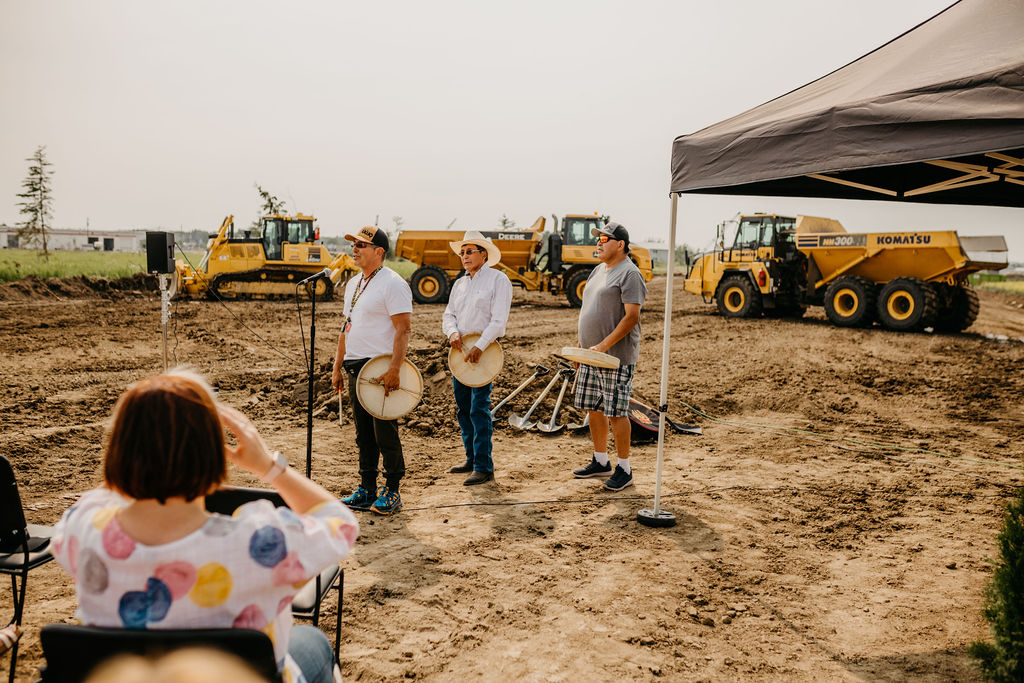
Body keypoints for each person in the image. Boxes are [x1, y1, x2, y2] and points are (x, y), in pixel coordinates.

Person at [51, 369, 359, 683]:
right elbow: (342, 524)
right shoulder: (258, 544)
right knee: (314, 642)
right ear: (212, 454)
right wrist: (268, 466)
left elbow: (99, 500)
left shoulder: (82, 530)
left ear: (120, 450)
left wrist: (140, 449)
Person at [331, 225, 413, 514]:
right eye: (354, 244)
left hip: (378, 370)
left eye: (361, 245)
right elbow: (346, 326)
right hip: (355, 368)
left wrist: (394, 369)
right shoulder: (354, 284)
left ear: (379, 251)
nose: (355, 249)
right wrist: (337, 364)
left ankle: (392, 490)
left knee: (384, 433)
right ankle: (367, 488)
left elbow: (403, 329)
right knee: (363, 434)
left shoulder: (393, 284)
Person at [571, 221, 647, 491]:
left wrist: (603, 345)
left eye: (605, 239)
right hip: (591, 355)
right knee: (594, 407)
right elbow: (587, 312)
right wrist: (581, 347)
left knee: (616, 412)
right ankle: (601, 461)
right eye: (598, 239)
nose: (599, 243)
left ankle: (624, 469)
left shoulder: (630, 274)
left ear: (621, 245)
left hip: (615, 357)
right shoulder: (597, 271)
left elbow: (631, 317)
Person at [441, 231, 513, 485]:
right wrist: (451, 332)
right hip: (460, 353)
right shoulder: (460, 284)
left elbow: (498, 321)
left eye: (469, 251)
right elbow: (448, 314)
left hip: (485, 353)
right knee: (463, 408)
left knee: (478, 408)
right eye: (462, 252)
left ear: (484, 254)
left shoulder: (498, 280)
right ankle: (471, 458)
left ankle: (484, 466)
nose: (464, 256)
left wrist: (480, 346)